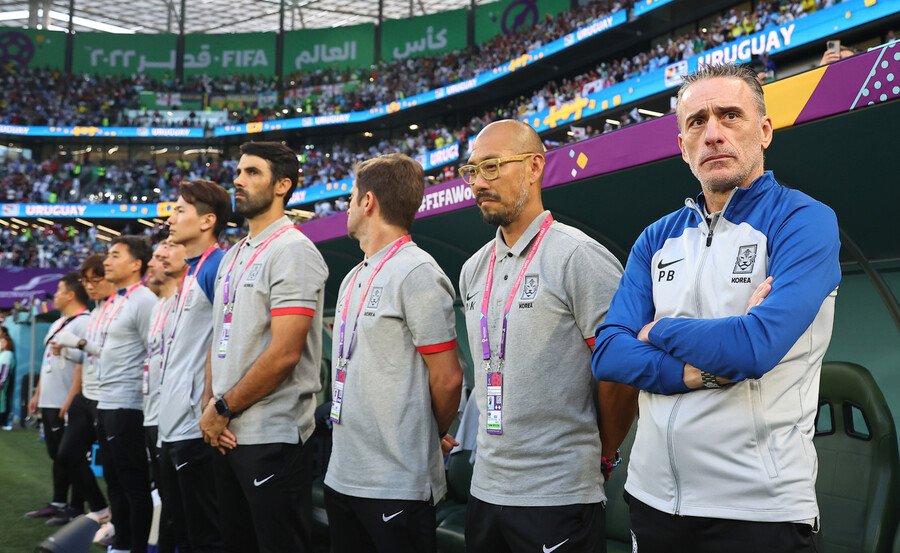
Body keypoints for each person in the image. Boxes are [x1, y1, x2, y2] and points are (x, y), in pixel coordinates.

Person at [591, 64, 841, 553]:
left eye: (730, 116)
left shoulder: (804, 220)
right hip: (651, 498)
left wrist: (656, 330)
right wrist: (700, 372)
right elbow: (608, 353)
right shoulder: (655, 238)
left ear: (764, 131)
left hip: (758, 510)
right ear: (682, 144)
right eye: (697, 122)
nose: (713, 134)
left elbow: (753, 348)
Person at [455, 119, 626, 553]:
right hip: (485, 491)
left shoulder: (579, 257)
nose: (478, 183)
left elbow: (621, 375)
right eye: (472, 171)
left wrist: (602, 453)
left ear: (534, 167)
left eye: (491, 167)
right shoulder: (472, 269)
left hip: (559, 497)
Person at [323, 153, 463, 553]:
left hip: (395, 485)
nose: (347, 207)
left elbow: (449, 377)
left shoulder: (417, 271)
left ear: (368, 202)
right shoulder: (355, 274)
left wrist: (428, 432)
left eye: (350, 197)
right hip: (342, 475)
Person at [200, 141, 328, 553]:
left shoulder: (293, 250)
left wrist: (222, 408)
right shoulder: (235, 253)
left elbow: (285, 353)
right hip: (226, 430)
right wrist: (211, 405)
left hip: (271, 436)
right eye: (238, 172)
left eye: (252, 172)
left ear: (282, 186)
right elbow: (219, 337)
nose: (238, 180)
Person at [59, 237, 157, 553]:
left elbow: (153, 352)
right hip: (107, 401)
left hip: (128, 403)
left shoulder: (143, 300)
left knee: (133, 483)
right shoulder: (116, 301)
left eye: (115, 256)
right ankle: (123, 540)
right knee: (115, 480)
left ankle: (136, 545)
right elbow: (110, 352)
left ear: (135, 264)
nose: (108, 262)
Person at [159, 179, 231, 553]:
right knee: (180, 527)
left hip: (194, 425)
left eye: (180, 210)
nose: (171, 217)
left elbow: (225, 340)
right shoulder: (190, 271)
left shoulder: (217, 265)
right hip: (172, 422)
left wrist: (211, 403)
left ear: (207, 221)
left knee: (204, 534)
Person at [51, 255, 113, 543]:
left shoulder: (121, 307)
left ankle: (116, 523)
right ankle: (100, 509)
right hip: (87, 393)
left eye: (95, 279)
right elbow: (89, 356)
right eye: (86, 280)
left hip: (110, 396)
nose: (89, 286)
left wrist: (76, 343)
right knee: (67, 454)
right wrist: (70, 349)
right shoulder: (98, 311)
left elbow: (114, 354)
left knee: (118, 468)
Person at [24, 273, 91, 525]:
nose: (55, 296)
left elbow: (82, 365)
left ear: (71, 294)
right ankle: (58, 502)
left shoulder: (84, 323)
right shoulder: (59, 322)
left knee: (70, 454)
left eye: (59, 290)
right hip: (50, 398)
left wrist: (71, 399)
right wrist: (38, 392)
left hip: (67, 399)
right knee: (56, 454)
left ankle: (77, 506)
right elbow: (48, 360)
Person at [143, 239, 184, 553]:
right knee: (166, 499)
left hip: (179, 421)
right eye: (153, 257)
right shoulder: (158, 306)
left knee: (180, 508)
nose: (153, 263)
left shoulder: (187, 301)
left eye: (161, 256)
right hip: (153, 414)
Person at [0, 330, 14, 427]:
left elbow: (5, 369)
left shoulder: (8, 354)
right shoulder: (2, 354)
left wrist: (1, 382)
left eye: (4, 342)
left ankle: (2, 421)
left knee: (1, 401)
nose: (2, 344)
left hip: (1, 383)